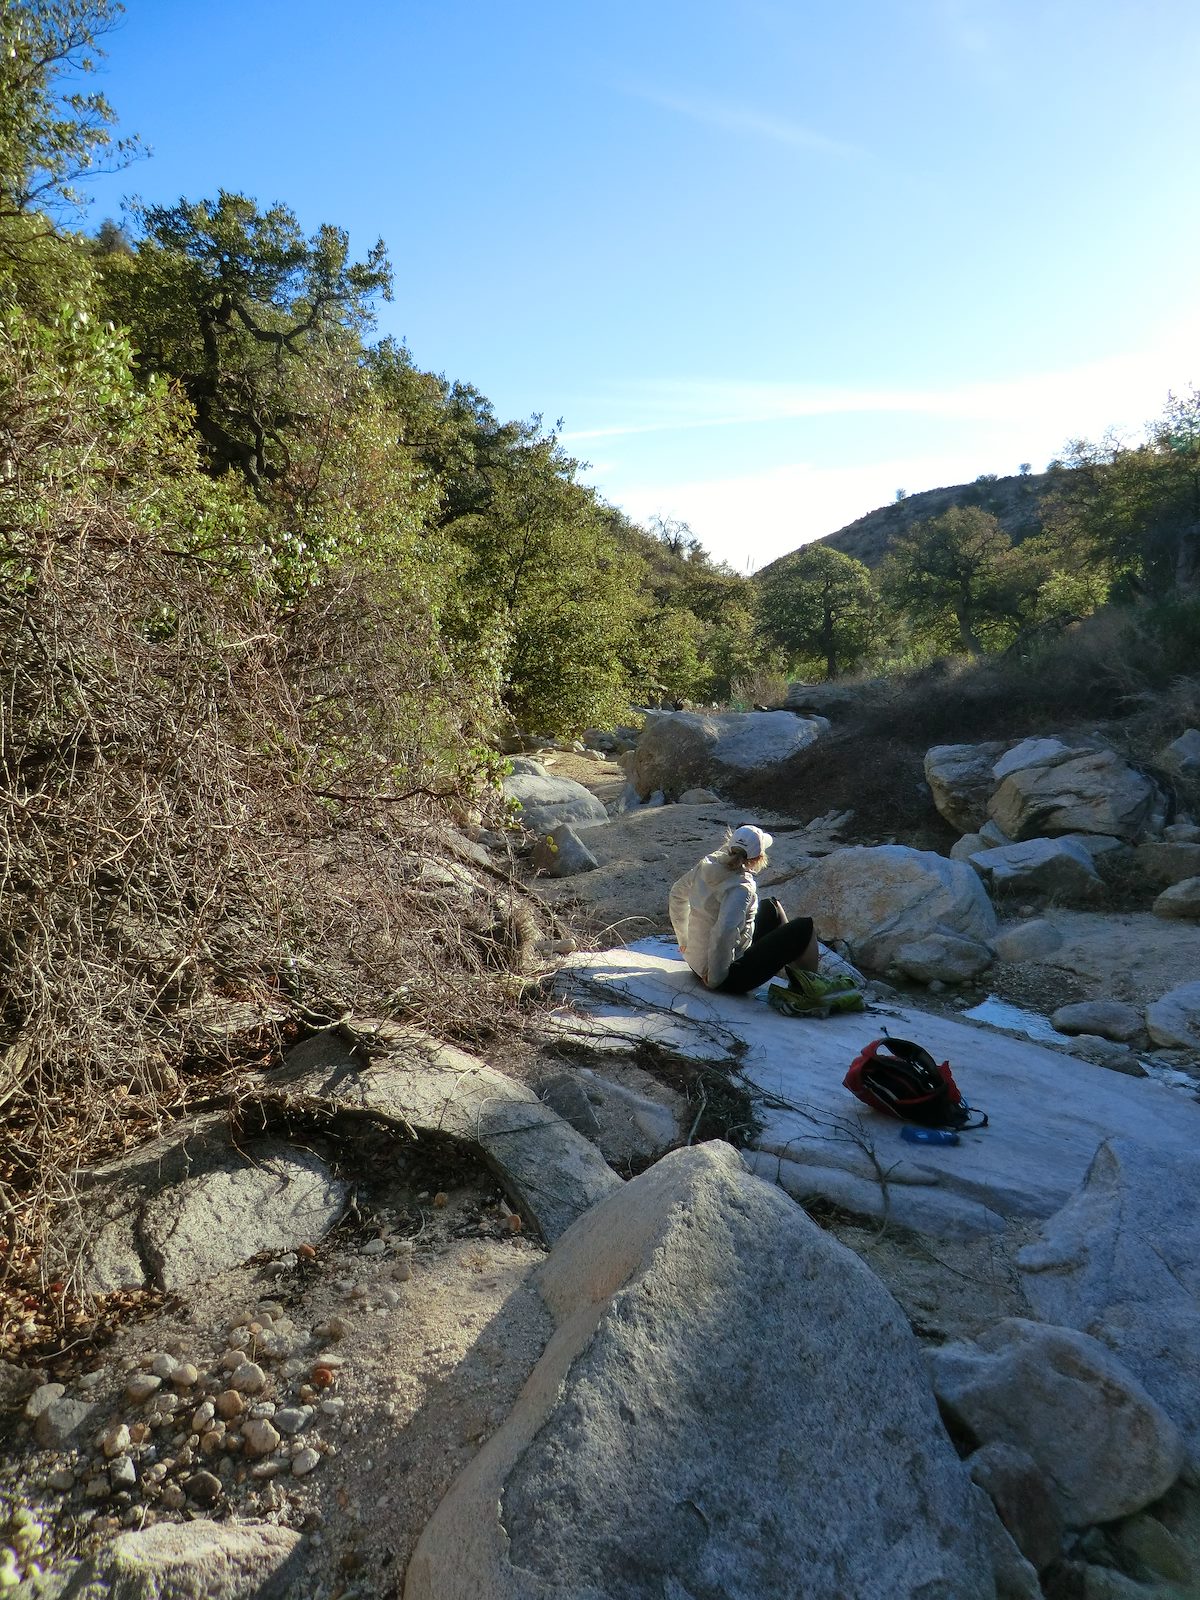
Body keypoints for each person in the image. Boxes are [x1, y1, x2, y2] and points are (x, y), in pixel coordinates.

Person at [668, 824, 819, 993]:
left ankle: (801, 983)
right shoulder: (740, 887)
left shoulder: (707, 864)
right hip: (722, 976)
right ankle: (810, 992)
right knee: (805, 927)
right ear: (758, 858)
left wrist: (685, 941)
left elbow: (676, 895)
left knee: (771, 907)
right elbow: (724, 931)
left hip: (697, 963)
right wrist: (715, 978)